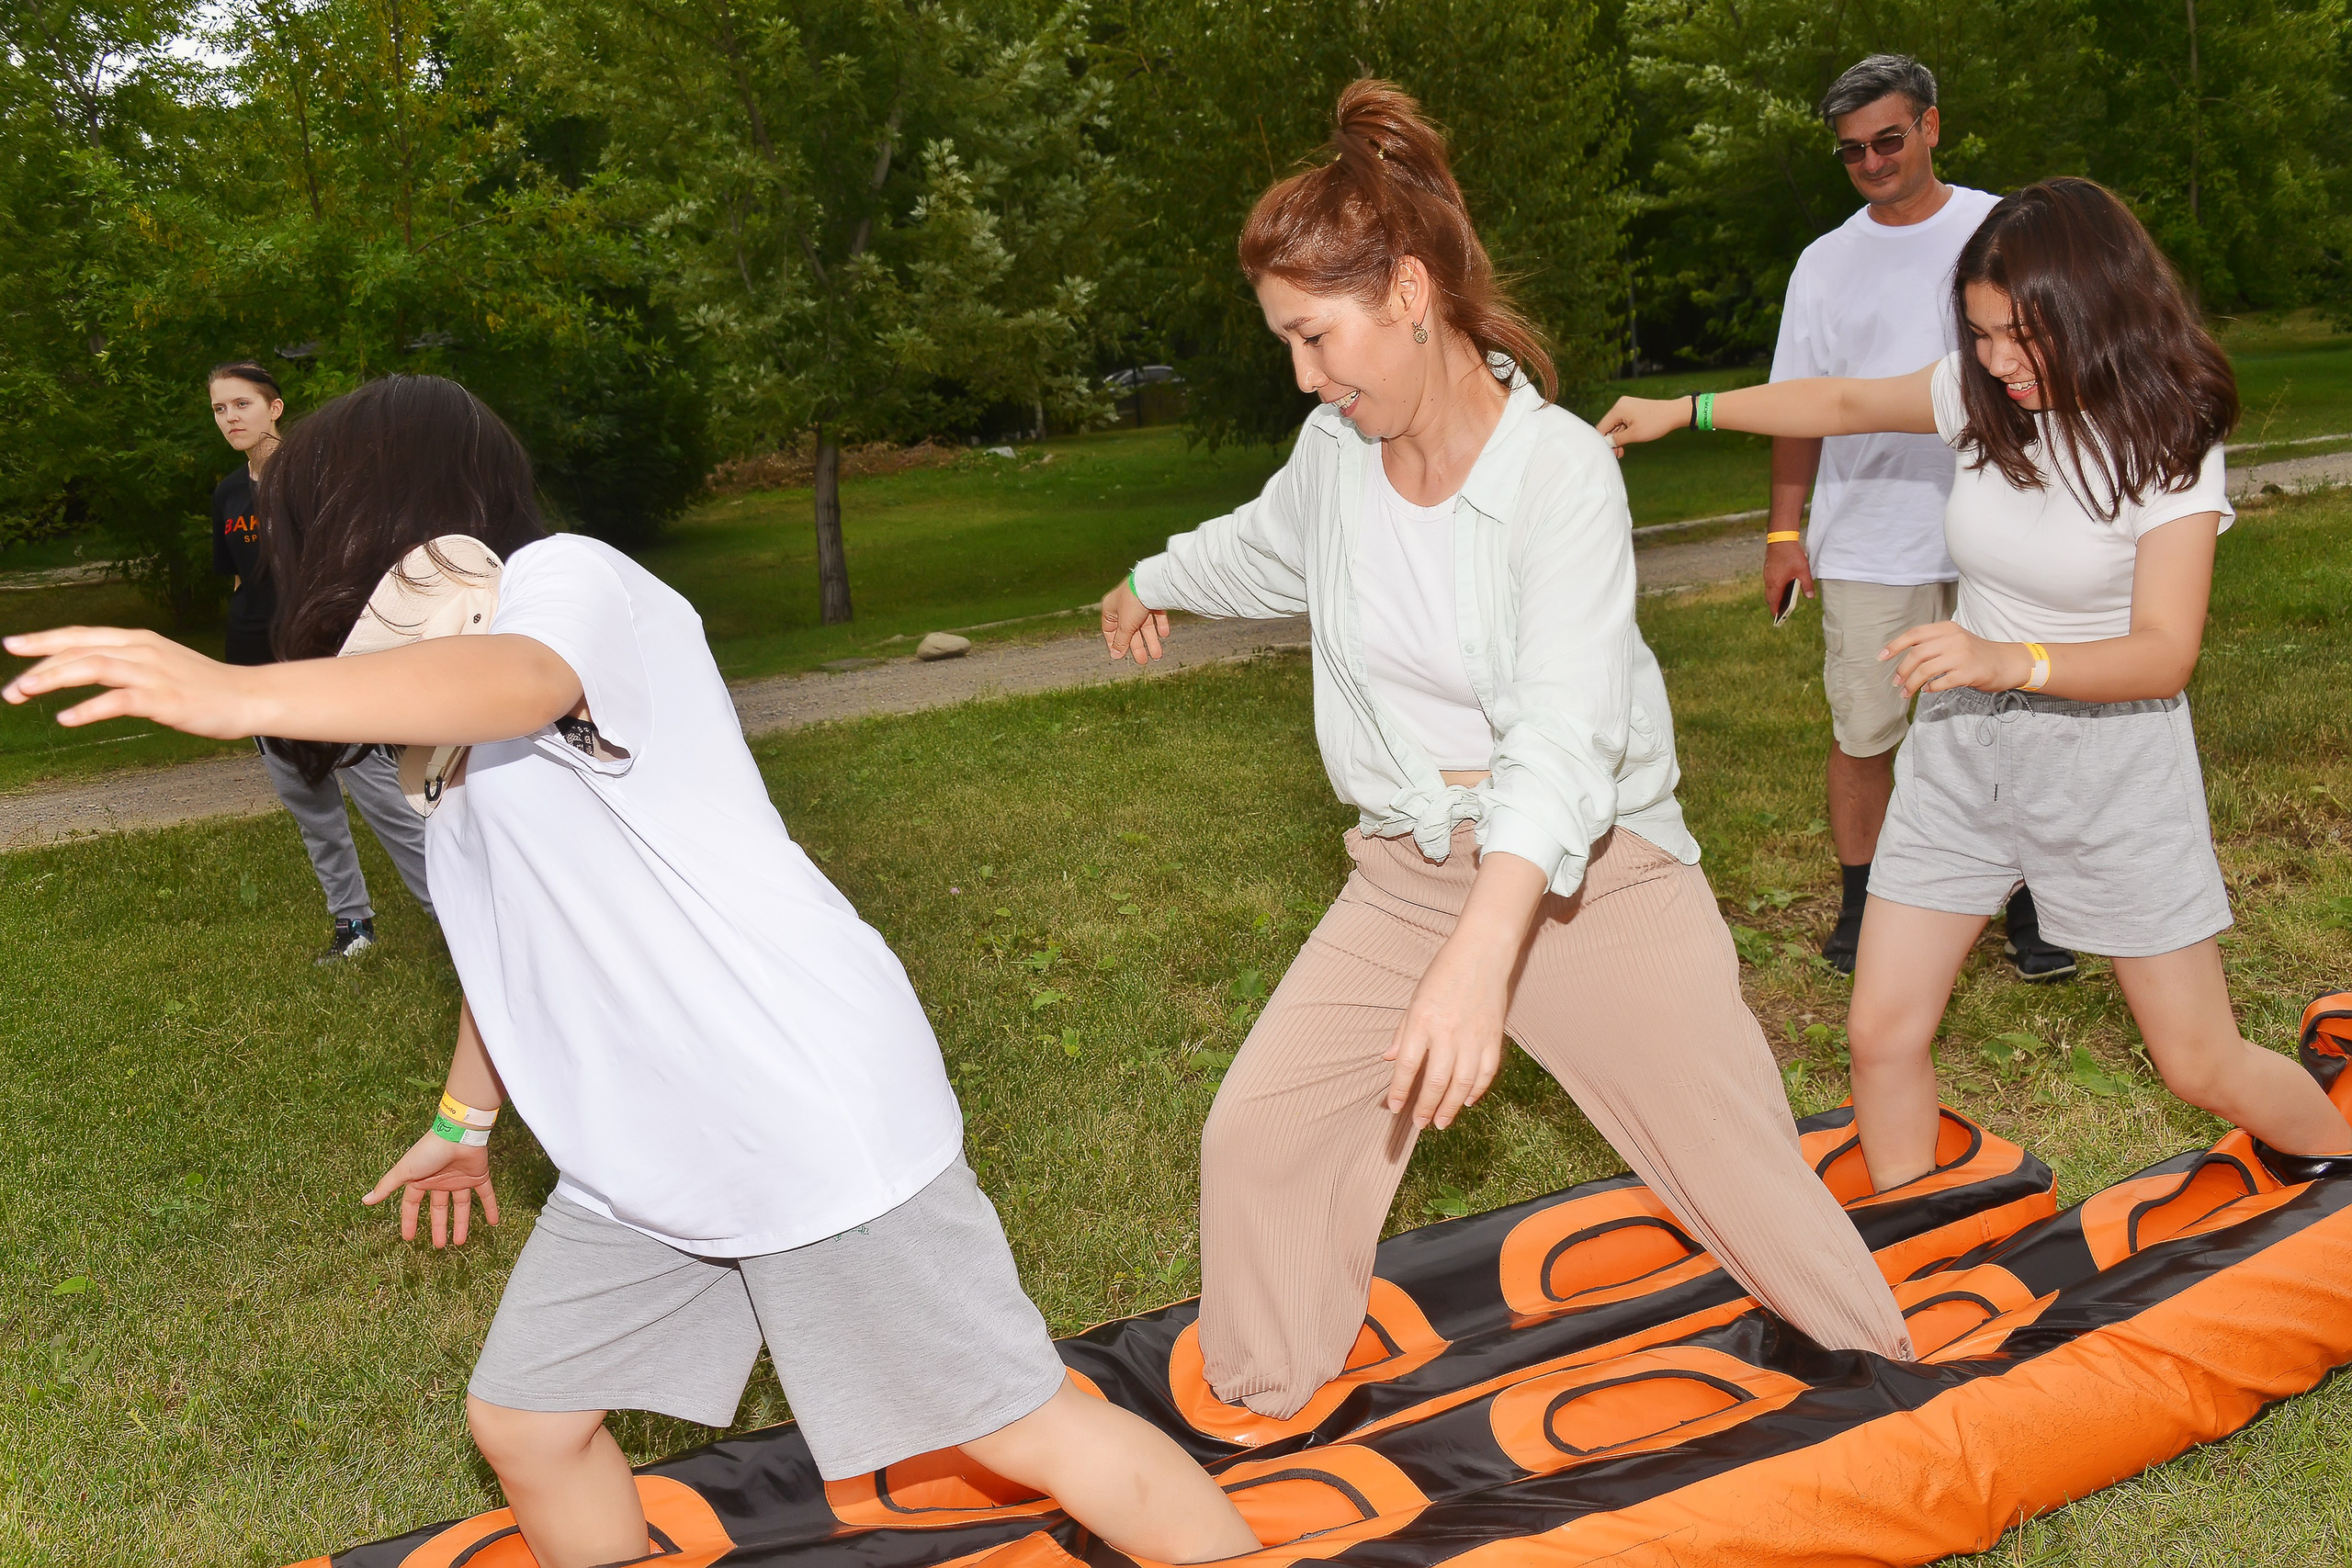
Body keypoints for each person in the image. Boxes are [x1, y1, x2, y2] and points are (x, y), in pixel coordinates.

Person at [8, 375, 1258, 1568]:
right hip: (654, 1147)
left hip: (798, 1110)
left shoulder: (571, 587)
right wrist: (463, 1118)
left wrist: (231, 690)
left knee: (1012, 1423)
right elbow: (512, 949)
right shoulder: (437, 753)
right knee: (527, 1417)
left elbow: (528, 680)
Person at [1099, 80, 1914, 1420]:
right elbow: (1260, 540)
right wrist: (1154, 577)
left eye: (1316, 337)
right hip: (1406, 870)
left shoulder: (1558, 477)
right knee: (1261, 1134)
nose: (1307, 375)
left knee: (1742, 1170)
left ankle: (1895, 1387)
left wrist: (1484, 962)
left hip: (1594, 880)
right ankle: (1261, 1417)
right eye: (1289, 345)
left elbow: (1559, 732)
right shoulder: (1335, 453)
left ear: (1408, 294)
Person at [1597, 178, 2352, 1192]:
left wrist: (2012, 660)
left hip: (2110, 763)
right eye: (1980, 331)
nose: (1995, 360)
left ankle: (2337, 1166)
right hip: (1959, 752)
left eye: (2020, 336)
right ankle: (1918, 1251)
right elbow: (1843, 399)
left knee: (2197, 1061)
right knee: (1880, 1034)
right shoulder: (1980, 396)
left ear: (2097, 310)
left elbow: (2165, 651)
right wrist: (1682, 408)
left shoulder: (2169, 445)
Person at [1765, 56, 2070, 982]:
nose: (1871, 160)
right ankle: (1862, 904)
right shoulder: (1822, 264)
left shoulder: (2001, 230)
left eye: (1887, 139)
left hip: (2010, 523)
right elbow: (1800, 405)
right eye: (1851, 151)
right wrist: (1786, 530)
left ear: (1932, 126)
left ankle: (2031, 906)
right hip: (1869, 535)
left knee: (2014, 718)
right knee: (1866, 726)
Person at [209, 360, 433, 963]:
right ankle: (352, 925)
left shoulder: (317, 475)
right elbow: (238, 582)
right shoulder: (228, 494)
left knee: (384, 798)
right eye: (220, 408)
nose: (231, 417)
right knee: (309, 803)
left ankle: (456, 913)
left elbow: (353, 568)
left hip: (325, 667)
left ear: (274, 408)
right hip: (258, 673)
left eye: (242, 405)